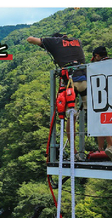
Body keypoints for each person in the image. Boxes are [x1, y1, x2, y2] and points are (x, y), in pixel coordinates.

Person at [27, 33, 87, 161]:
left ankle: (74, 151)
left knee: (71, 116)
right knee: (96, 112)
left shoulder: (54, 42)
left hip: (70, 82)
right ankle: (107, 146)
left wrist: (47, 42)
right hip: (85, 78)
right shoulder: (77, 41)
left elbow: (30, 39)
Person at [90, 46, 112, 160]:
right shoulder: (110, 62)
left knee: (104, 121)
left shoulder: (99, 65)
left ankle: (106, 148)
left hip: (103, 98)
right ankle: (103, 149)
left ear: (97, 56)